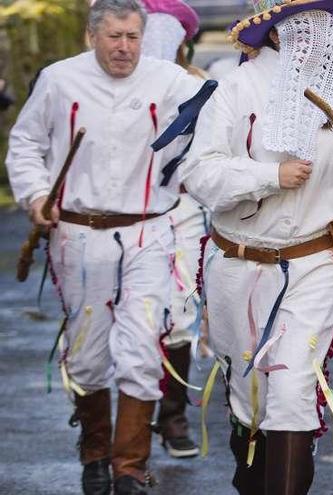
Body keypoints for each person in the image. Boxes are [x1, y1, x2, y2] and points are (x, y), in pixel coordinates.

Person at [4, 0, 204, 492]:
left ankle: (129, 467)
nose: (124, 48)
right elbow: (26, 143)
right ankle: (94, 453)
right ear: (93, 36)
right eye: (114, 36)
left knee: (140, 349)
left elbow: (221, 120)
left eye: (133, 37)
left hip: (149, 233)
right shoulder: (58, 80)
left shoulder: (171, 81)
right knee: (89, 355)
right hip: (78, 234)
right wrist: (34, 195)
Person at [180, 0, 333, 492]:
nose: (319, 36)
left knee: (292, 388)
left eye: (324, 26)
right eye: (305, 26)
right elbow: (199, 173)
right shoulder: (235, 89)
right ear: (274, 33)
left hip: (316, 261)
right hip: (239, 262)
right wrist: (269, 176)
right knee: (251, 397)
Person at [139, 0, 206, 459]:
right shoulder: (117, 85)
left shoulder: (202, 86)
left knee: (180, 311)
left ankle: (174, 414)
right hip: (129, 213)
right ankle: (133, 421)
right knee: (134, 317)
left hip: (182, 210)